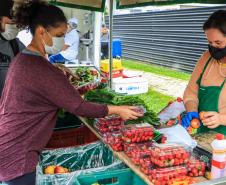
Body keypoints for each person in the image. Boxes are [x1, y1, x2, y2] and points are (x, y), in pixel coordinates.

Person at [0, 1, 142, 185]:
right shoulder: (42, 70)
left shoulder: (23, 59)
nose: (63, 41)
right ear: (41, 31)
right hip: (18, 157)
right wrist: (117, 109)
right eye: (59, 35)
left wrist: (53, 68)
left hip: (8, 143)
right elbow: (79, 106)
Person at [182, 10, 226, 135]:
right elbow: (191, 92)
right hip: (203, 136)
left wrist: (221, 119)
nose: (213, 47)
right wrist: (192, 110)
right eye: (210, 42)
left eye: (218, 43)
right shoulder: (206, 58)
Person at [0, 0, 25, 96]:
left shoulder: (15, 44)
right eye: (10, 24)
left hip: (8, 107)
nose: (14, 27)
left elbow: (34, 61)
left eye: (16, 24)